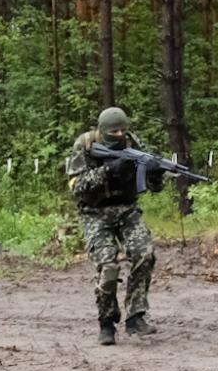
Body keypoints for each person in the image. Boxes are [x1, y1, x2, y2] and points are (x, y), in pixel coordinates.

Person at [65, 107, 157, 345]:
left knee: (144, 254)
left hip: (127, 211)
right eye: (114, 131)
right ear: (103, 131)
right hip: (95, 213)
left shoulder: (134, 145)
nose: (119, 134)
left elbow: (154, 186)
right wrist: (108, 170)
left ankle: (136, 316)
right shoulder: (84, 146)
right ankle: (106, 322)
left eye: (123, 130)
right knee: (107, 266)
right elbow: (77, 187)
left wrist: (155, 173)